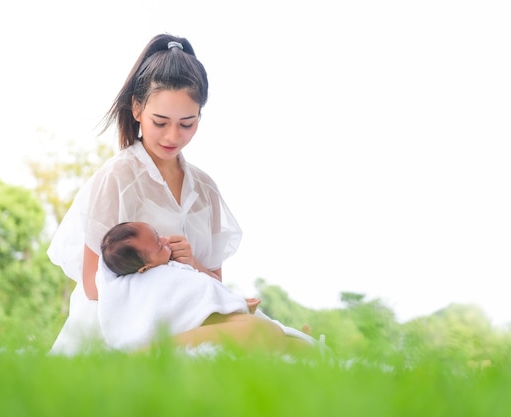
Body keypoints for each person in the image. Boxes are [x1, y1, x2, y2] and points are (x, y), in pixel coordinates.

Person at [47, 33, 246, 355]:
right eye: (160, 122)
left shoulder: (205, 190)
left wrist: (191, 262)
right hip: (121, 326)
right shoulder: (119, 177)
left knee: (260, 336)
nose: (173, 136)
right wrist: (157, 263)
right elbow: (92, 285)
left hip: (188, 319)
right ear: (137, 109)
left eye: (187, 124)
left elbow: (214, 285)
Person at [96, 221, 315, 353]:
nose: (165, 240)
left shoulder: (175, 268)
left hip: (226, 321)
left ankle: (304, 339)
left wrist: (234, 303)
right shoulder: (155, 282)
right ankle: (304, 341)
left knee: (286, 340)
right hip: (211, 328)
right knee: (269, 333)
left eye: (158, 235)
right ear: (145, 268)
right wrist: (236, 306)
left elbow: (206, 290)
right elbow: (183, 303)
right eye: (158, 245)